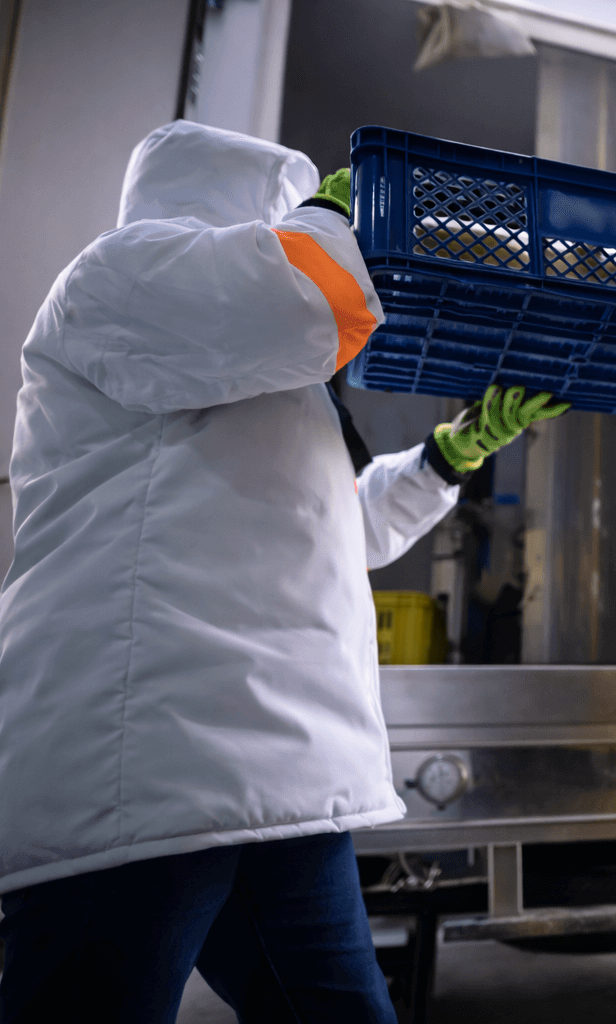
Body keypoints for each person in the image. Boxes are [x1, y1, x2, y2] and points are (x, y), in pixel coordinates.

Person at [0, 120, 566, 1022]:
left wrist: (448, 459)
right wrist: (338, 214)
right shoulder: (124, 276)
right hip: (147, 766)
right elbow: (303, 291)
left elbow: (336, 523)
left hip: (275, 779)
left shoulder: (267, 370)